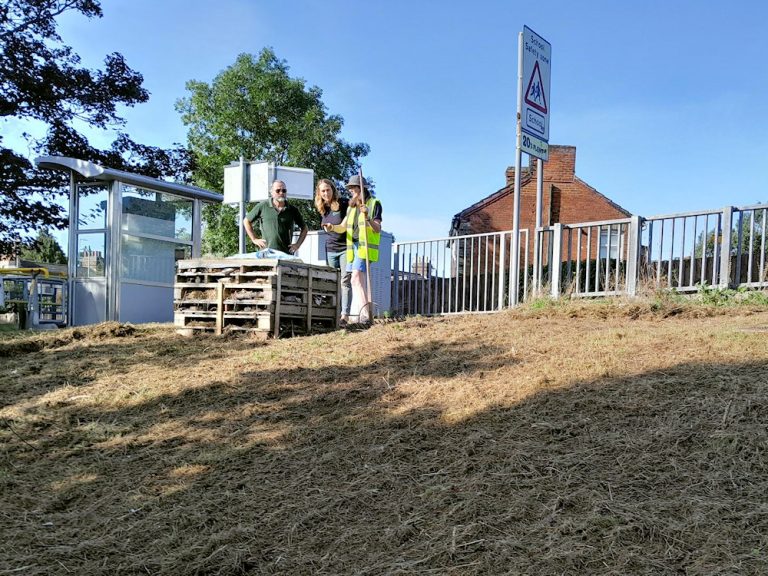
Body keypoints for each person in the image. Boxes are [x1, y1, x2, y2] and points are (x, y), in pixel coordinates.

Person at [322, 174, 382, 325]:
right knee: (356, 281)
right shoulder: (351, 207)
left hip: (365, 248)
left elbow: (378, 229)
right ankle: (363, 314)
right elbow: (343, 227)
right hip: (352, 248)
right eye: (350, 189)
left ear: (361, 189)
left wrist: (367, 216)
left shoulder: (374, 204)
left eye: (353, 189)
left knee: (355, 278)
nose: (350, 192)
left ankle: (364, 316)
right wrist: (332, 227)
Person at [314, 178, 353, 327]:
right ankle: (331, 315)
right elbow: (326, 228)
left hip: (344, 248)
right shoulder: (323, 208)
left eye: (328, 190)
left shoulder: (344, 204)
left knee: (344, 281)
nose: (326, 193)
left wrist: (332, 227)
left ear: (333, 189)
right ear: (319, 193)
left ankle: (344, 316)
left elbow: (344, 226)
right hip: (330, 249)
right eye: (322, 191)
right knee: (331, 282)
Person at [243, 179, 308, 255]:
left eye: (284, 191)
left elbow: (304, 228)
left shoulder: (292, 210)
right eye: (278, 191)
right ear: (272, 193)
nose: (281, 193)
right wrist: (254, 239)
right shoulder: (263, 206)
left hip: (286, 255)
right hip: (266, 254)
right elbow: (246, 221)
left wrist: (297, 245)